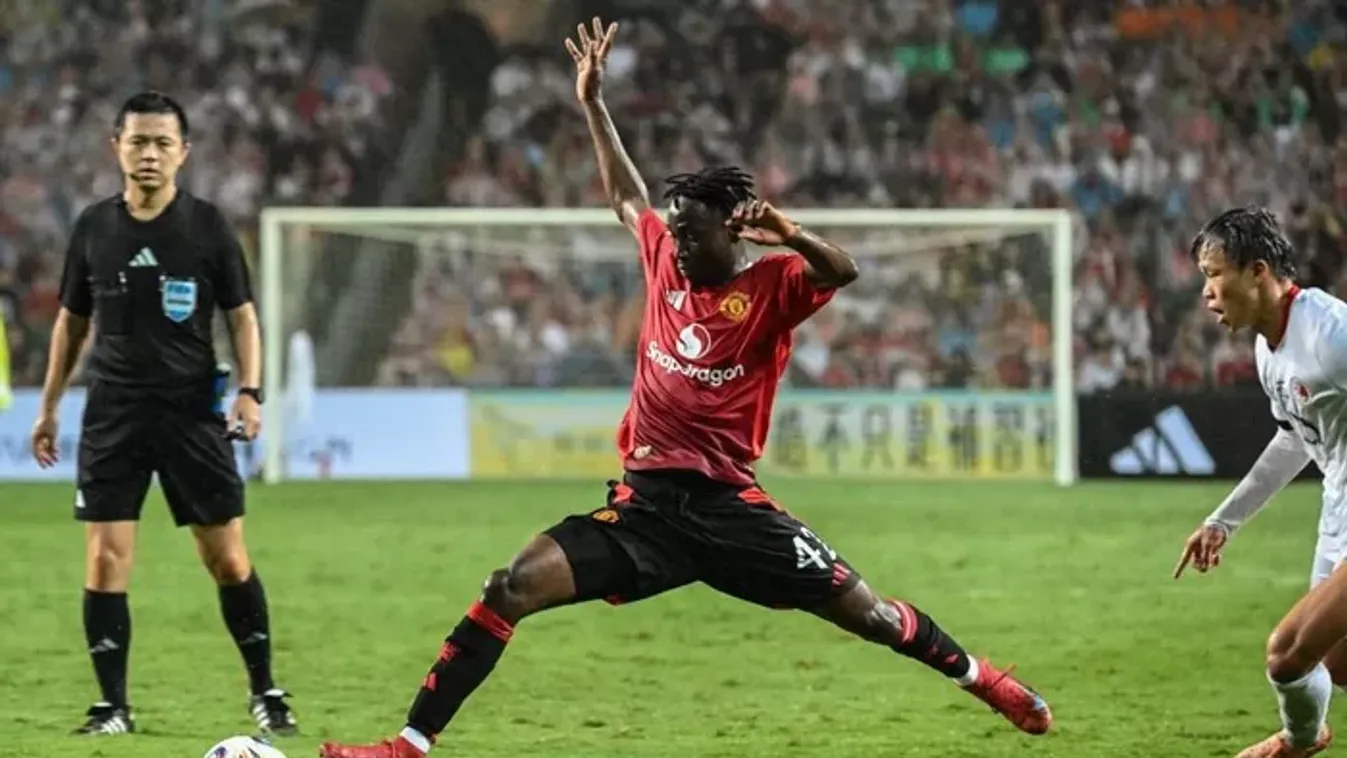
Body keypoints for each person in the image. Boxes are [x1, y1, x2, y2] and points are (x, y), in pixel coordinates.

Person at [319, 19, 1051, 758]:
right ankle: (408, 746)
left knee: (872, 617)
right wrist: (593, 104)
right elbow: (624, 196)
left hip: (730, 510)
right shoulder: (664, 261)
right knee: (508, 585)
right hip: (646, 510)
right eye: (674, 233)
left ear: (732, 233)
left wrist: (792, 232)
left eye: (692, 234)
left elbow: (842, 270)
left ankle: (982, 678)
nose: (677, 244)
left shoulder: (773, 285)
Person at [29, 91, 298, 738]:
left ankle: (265, 690)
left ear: (183, 152)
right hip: (113, 413)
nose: (149, 153)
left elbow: (242, 317)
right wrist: (49, 407)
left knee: (226, 557)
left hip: (190, 414)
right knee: (105, 559)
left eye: (162, 143)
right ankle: (112, 707)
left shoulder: (206, 227)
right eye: (138, 142)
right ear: (116, 147)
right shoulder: (93, 227)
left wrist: (251, 392)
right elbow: (71, 323)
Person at [1175, 206, 1347, 758]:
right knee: (1335, 664)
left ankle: (1299, 742)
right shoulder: (1267, 346)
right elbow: (1295, 441)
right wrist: (1222, 521)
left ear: (1257, 271)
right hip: (1338, 513)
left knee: (1287, 655)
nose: (1207, 292)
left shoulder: (1332, 335)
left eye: (1213, 274)